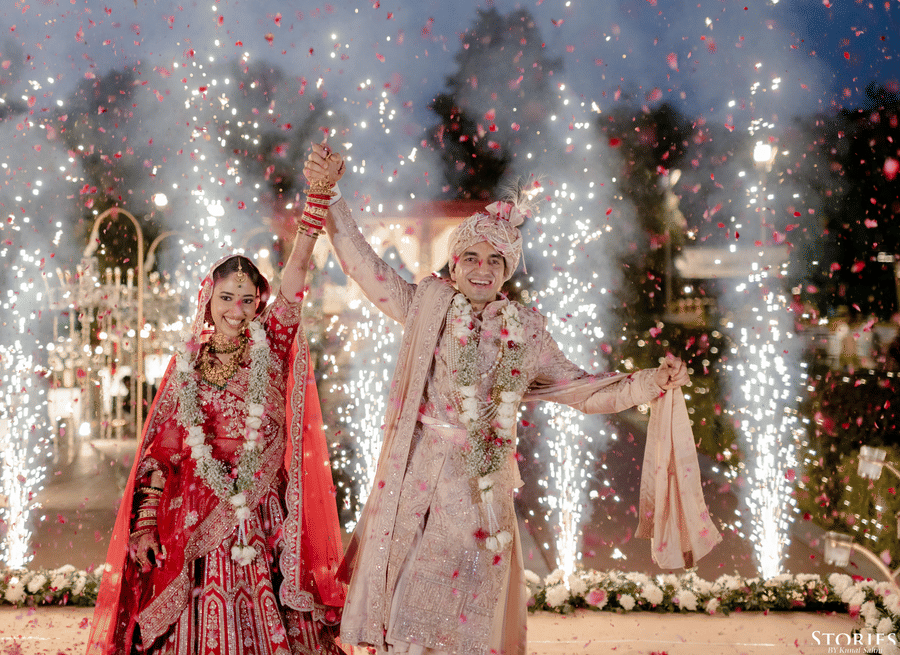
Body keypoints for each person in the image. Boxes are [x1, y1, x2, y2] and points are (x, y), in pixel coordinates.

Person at [305, 143, 721, 655]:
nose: (483, 269)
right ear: (453, 266)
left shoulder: (526, 333)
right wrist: (332, 195)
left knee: (468, 618)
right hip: (416, 487)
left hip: (482, 499)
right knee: (405, 610)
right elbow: (365, 269)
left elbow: (584, 390)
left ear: (507, 272)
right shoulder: (425, 307)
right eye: (473, 258)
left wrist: (653, 382)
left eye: (496, 261)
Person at [86, 169, 346, 655]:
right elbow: (161, 451)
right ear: (208, 300)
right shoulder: (185, 366)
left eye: (248, 301)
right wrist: (145, 523)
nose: (237, 309)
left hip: (261, 512)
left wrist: (315, 205)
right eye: (227, 298)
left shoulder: (272, 346)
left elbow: (295, 282)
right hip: (194, 515)